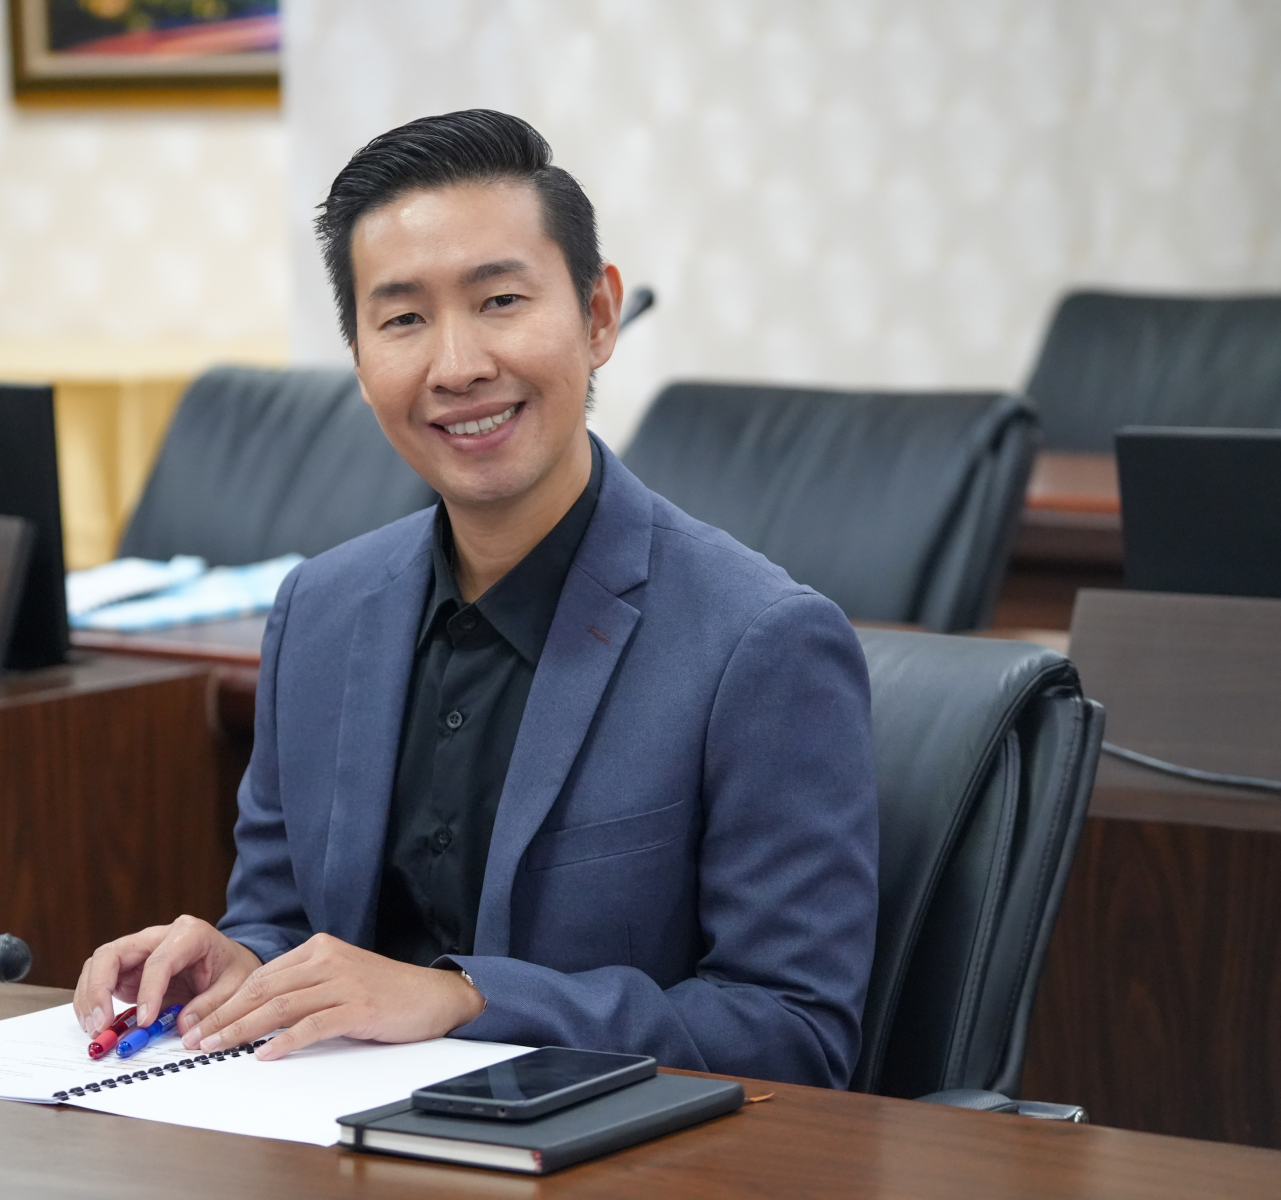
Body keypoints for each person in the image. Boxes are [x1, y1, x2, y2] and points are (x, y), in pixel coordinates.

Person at [75, 109, 878, 1087]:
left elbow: (796, 1031)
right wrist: (241, 968)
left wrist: (469, 998)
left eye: (500, 301)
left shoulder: (761, 643)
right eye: (403, 320)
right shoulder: (320, 611)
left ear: (598, 316)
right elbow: (282, 923)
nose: (457, 366)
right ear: (360, 360)